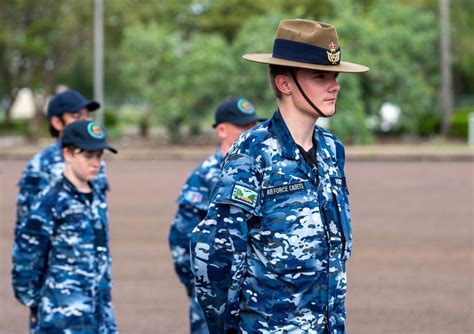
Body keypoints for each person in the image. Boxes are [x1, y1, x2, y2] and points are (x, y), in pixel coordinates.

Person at [190, 19, 369, 333]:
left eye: (335, 75)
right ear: (285, 84)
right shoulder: (252, 152)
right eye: (320, 76)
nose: (334, 85)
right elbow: (217, 256)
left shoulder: (331, 150)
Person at [12, 120, 119, 333]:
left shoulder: (96, 197)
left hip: (99, 315)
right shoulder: (50, 201)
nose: (95, 163)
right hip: (61, 317)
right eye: (88, 156)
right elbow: (26, 258)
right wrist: (38, 304)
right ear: (68, 154)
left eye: (99, 156)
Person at [169, 97, 264, 333]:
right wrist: (203, 287)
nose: (251, 132)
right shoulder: (205, 176)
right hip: (213, 298)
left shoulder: (262, 170)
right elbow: (182, 240)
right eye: (243, 127)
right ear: (221, 129)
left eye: (254, 126)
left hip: (255, 298)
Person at [15, 89, 109, 238]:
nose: (85, 120)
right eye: (77, 115)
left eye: (87, 115)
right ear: (57, 122)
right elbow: (27, 224)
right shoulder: (40, 165)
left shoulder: (97, 162)